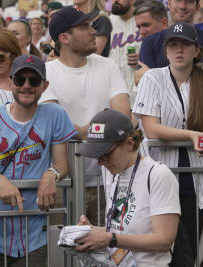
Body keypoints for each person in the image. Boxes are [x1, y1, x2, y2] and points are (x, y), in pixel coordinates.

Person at [0, 54, 77, 266]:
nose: (27, 86)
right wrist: (0, 180)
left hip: (34, 233)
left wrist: (51, 174)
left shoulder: (55, 114)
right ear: (10, 82)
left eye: (35, 80)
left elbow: (61, 165)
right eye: (20, 80)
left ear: (45, 85)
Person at [133, 22, 203, 261]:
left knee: (190, 253)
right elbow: (151, 129)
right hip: (158, 178)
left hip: (197, 181)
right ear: (166, 50)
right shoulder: (152, 77)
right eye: (173, 44)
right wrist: (193, 135)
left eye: (186, 44)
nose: (179, 49)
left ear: (197, 50)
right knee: (162, 252)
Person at [40, 5, 130, 226]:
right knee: (64, 255)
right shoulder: (45, 73)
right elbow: (57, 127)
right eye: (84, 26)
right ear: (65, 38)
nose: (93, 31)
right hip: (65, 183)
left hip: (108, 180)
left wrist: (79, 131)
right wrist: (103, 127)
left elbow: (122, 119)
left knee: (107, 254)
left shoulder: (107, 65)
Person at [76, 109, 180, 266]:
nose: (100, 162)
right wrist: (93, 233)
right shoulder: (113, 172)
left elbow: (164, 240)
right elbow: (123, 227)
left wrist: (110, 239)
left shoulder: (158, 174)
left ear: (129, 144)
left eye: (105, 154)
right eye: (97, 155)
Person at [139, 0, 203, 74]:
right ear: (169, 4)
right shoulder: (150, 43)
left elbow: (201, 85)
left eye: (190, 1)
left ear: (197, 7)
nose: (182, 6)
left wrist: (153, 76)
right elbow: (146, 86)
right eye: (178, 0)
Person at [109, 0, 142, 104]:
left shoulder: (145, 20)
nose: (115, 1)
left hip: (142, 96)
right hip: (115, 97)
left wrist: (142, 60)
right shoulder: (107, 21)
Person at [132, 0, 168, 86]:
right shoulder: (146, 45)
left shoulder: (182, 45)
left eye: (146, 25)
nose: (141, 32)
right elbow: (141, 87)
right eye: (139, 27)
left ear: (164, 23)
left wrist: (150, 75)